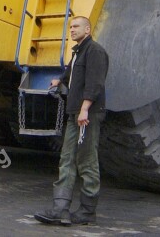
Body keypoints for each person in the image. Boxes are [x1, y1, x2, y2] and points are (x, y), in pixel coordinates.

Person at [34, 15, 109, 226]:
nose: (72, 30)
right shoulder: (78, 52)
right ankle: (60, 208)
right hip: (75, 113)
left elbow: (95, 84)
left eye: (76, 26)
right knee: (67, 158)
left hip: (87, 115)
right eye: (70, 27)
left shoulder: (95, 52)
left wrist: (85, 109)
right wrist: (60, 80)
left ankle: (87, 211)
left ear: (88, 29)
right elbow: (72, 72)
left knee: (87, 161)